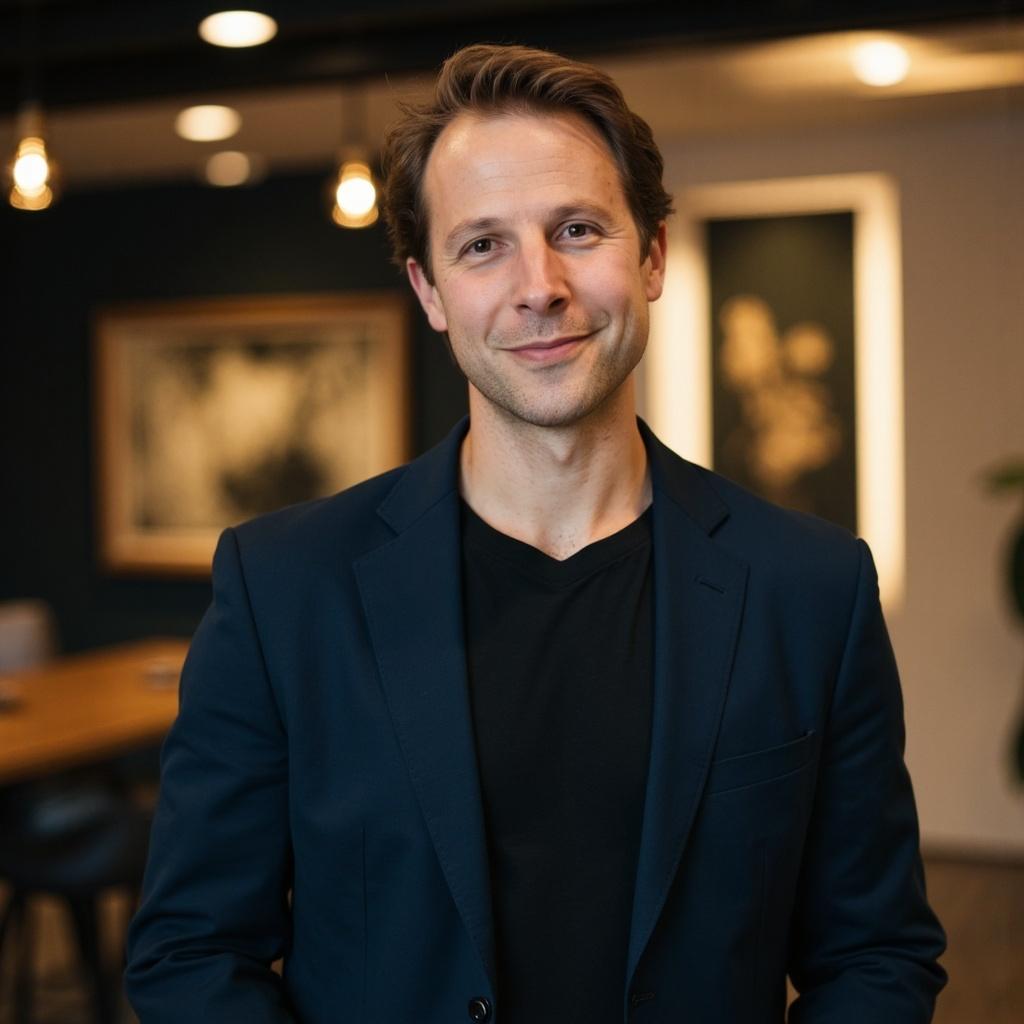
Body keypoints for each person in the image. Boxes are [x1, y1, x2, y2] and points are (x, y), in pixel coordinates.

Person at [125, 43, 946, 1024]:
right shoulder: (283, 587)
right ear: (430, 291)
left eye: (577, 229)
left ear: (651, 256)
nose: (539, 284)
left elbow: (875, 955)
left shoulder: (809, 588)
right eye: (483, 245)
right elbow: (192, 953)